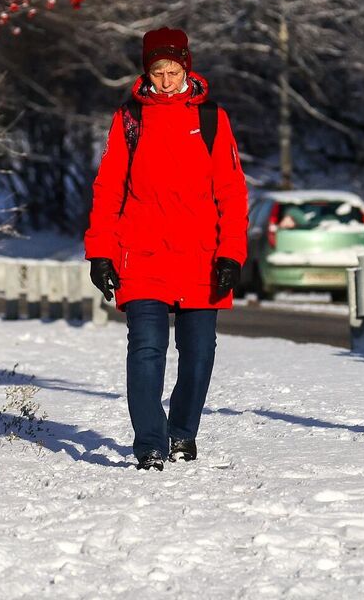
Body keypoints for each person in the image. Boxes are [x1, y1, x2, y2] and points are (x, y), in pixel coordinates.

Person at [84, 27, 248, 470]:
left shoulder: (213, 118)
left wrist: (231, 253)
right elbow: (108, 188)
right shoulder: (130, 119)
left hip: (201, 256)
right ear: (146, 72)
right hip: (142, 254)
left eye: (174, 70)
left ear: (186, 67)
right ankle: (150, 442)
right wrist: (100, 251)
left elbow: (232, 191)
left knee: (199, 353)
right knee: (147, 350)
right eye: (158, 71)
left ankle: (181, 432)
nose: (167, 79)